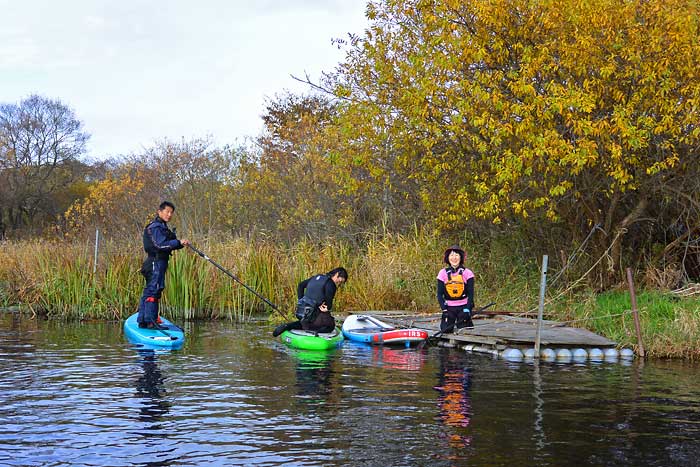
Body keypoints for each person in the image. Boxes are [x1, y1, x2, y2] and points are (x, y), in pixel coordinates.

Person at [136, 201, 190, 328]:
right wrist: (177, 242)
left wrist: (181, 244)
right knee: (154, 290)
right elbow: (160, 245)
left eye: (171, 213)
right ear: (159, 212)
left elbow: (168, 244)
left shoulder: (163, 227)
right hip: (155, 262)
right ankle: (151, 321)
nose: (169, 215)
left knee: (151, 289)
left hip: (158, 262)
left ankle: (143, 320)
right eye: (167, 212)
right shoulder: (155, 227)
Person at [272, 267, 348, 336]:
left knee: (306, 322)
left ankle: (288, 326)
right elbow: (328, 305)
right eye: (340, 281)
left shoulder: (316, 277)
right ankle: (314, 332)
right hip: (313, 315)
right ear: (337, 274)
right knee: (330, 326)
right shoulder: (331, 284)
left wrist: (300, 300)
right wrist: (327, 309)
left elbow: (300, 285)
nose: (339, 283)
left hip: (302, 312)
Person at [436, 245, 475, 332]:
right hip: (449, 307)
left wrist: (467, 309)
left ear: (461, 257)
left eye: (457, 255)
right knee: (446, 330)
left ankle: (465, 319)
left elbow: (471, 294)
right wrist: (444, 309)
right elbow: (439, 294)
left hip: (463, 306)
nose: (454, 258)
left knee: (465, 331)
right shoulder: (442, 273)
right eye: (451, 255)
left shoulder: (468, 273)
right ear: (448, 258)